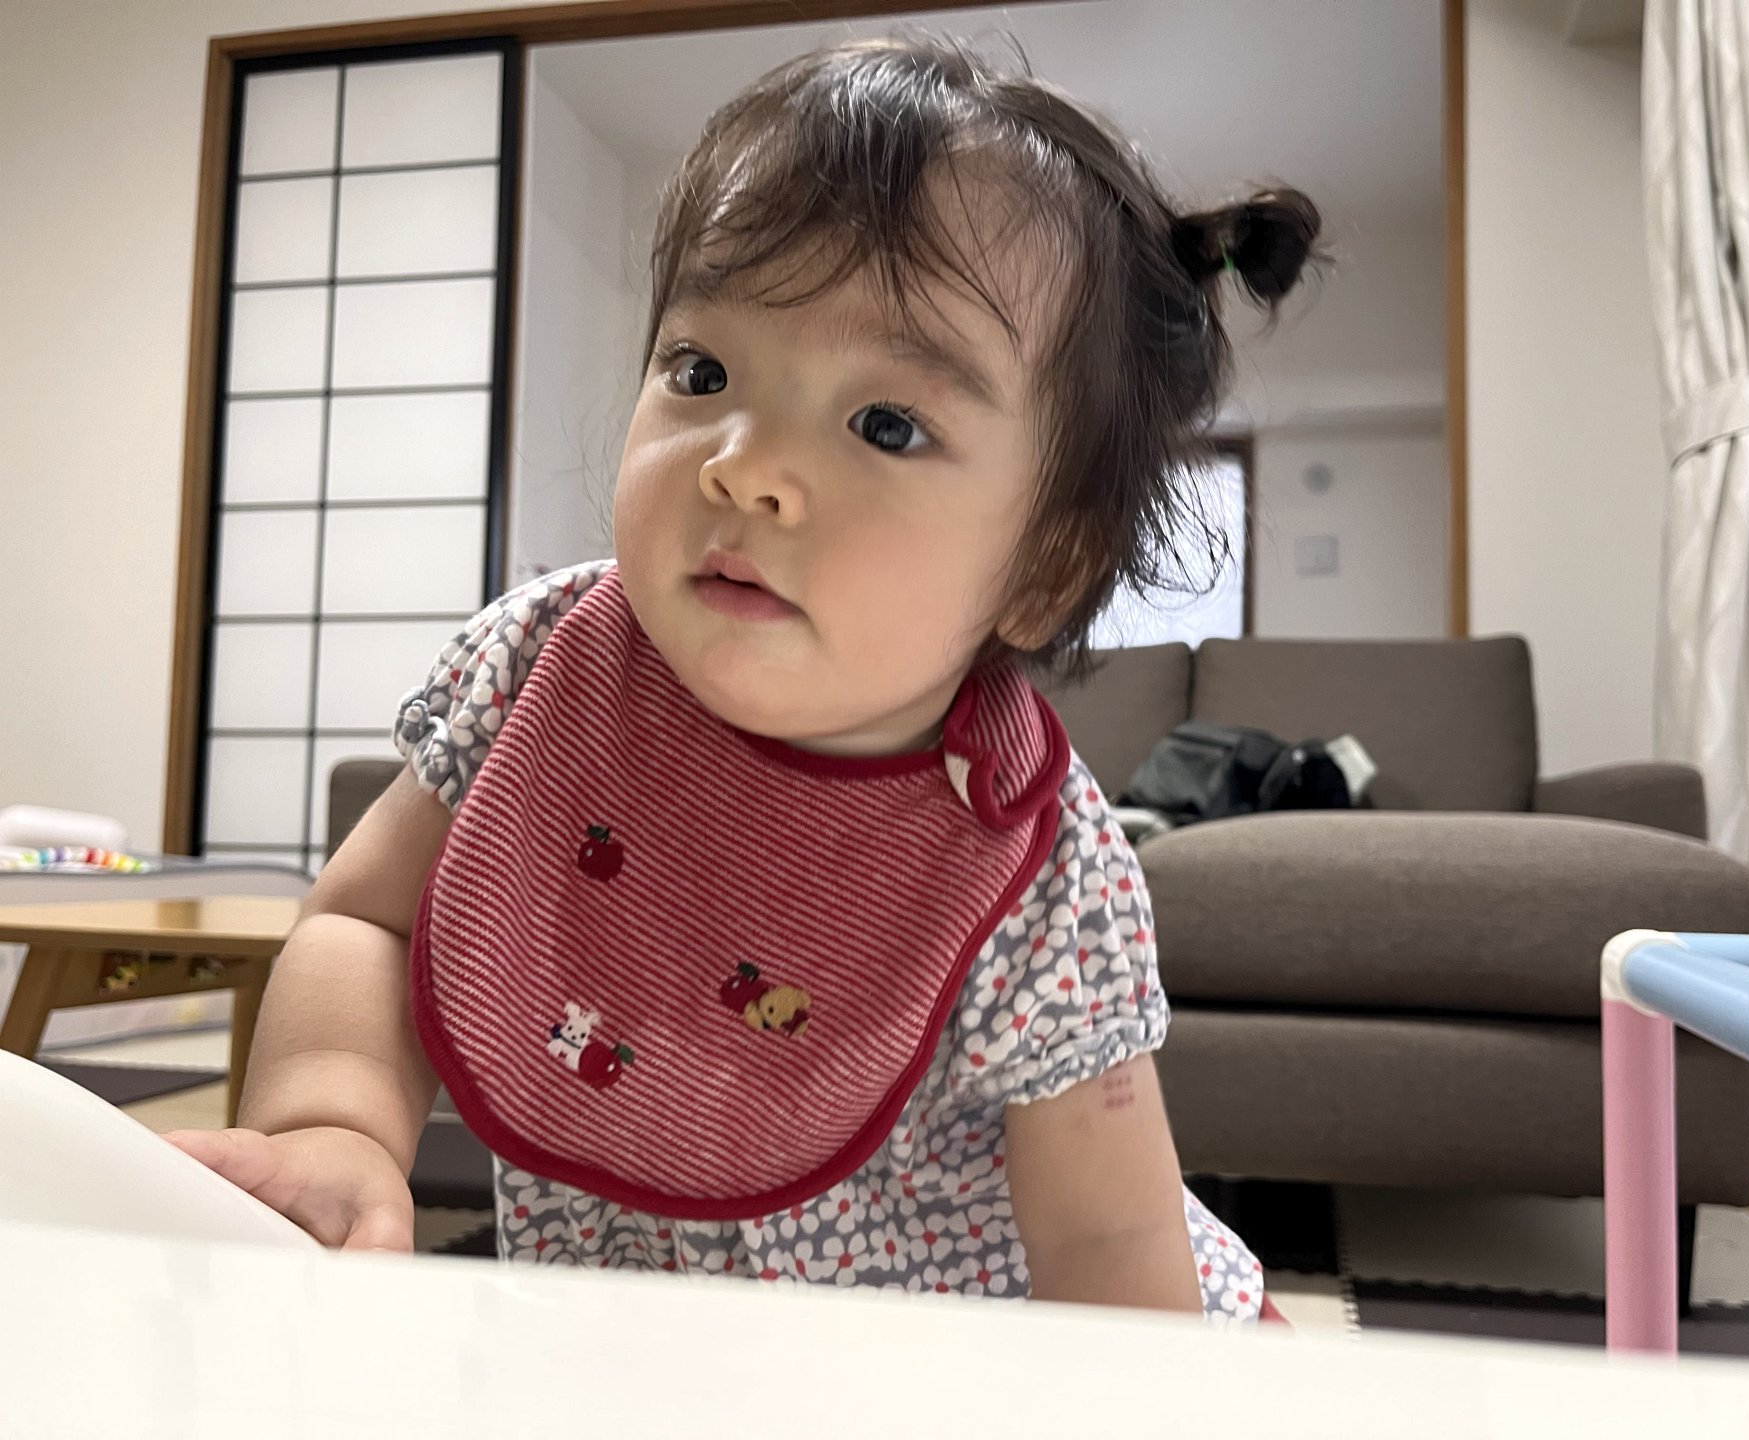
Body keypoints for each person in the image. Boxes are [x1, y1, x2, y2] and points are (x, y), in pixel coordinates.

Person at [169, 35, 1321, 1323]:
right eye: (703, 373)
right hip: (640, 1347)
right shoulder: (550, 667)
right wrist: (332, 1126)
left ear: (1044, 568)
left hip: (950, 1375)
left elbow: (1110, 1238)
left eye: (886, 424)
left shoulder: (1034, 864)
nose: (744, 465)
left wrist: (1146, 1399)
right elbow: (372, 921)